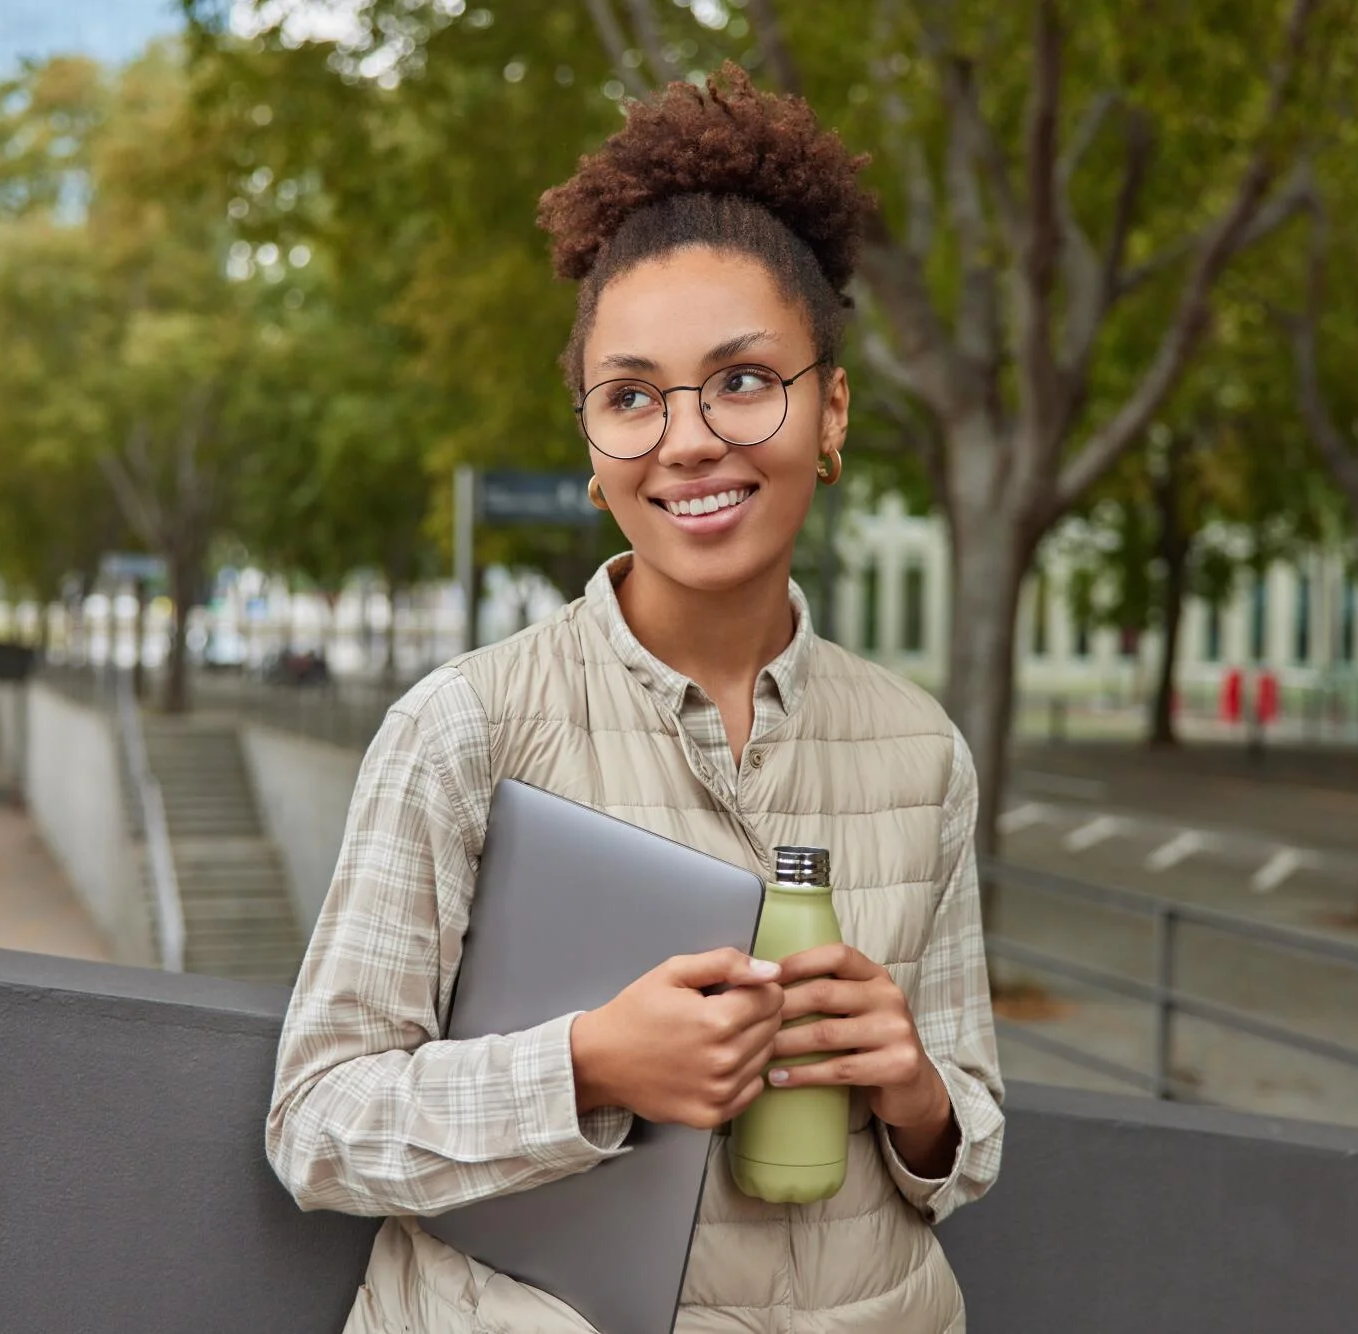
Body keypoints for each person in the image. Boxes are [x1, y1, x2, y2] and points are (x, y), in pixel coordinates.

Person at [266, 64, 1005, 1334]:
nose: (687, 438)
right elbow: (316, 1120)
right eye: (630, 397)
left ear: (829, 411)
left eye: (740, 379)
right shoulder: (464, 727)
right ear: (593, 450)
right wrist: (587, 1065)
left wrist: (917, 1093)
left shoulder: (919, 749)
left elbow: (965, 1135)